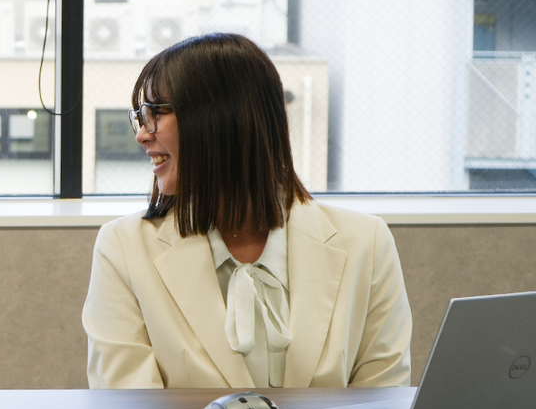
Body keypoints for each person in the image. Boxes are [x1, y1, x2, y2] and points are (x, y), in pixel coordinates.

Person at [82, 33, 411, 389]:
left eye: (156, 113)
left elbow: (383, 402)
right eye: (141, 117)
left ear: (220, 117)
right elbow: (128, 408)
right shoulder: (124, 248)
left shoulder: (366, 243)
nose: (142, 135)